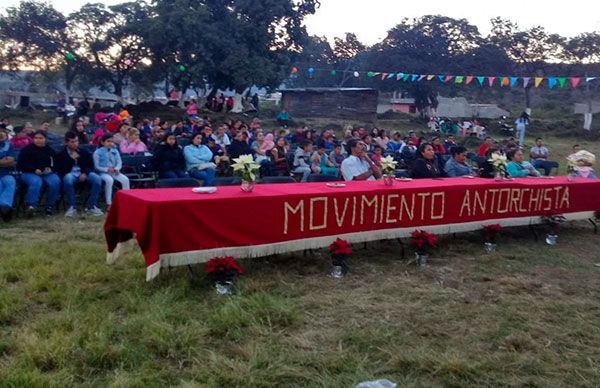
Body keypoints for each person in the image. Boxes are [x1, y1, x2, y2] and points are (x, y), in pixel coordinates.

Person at [55, 132, 103, 217]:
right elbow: (60, 169)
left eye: (76, 141)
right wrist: (70, 159)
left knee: (97, 179)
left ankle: (92, 206)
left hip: (83, 172)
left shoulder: (84, 152)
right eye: (72, 142)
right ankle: (71, 207)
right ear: (66, 143)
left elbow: (90, 165)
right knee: (68, 180)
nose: (75, 143)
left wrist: (84, 173)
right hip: (69, 173)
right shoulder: (61, 154)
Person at [17, 131, 61, 216]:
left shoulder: (50, 150)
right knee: (36, 181)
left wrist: (50, 169)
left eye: (40, 138)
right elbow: (21, 164)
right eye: (36, 138)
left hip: (46, 173)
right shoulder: (27, 149)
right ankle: (31, 206)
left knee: (55, 181)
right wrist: (34, 170)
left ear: (45, 139)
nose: (38, 140)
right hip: (28, 173)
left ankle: (49, 206)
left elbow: (56, 164)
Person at [93, 133, 130, 209]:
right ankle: (109, 203)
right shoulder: (97, 152)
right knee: (109, 180)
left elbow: (119, 161)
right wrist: (106, 169)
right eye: (108, 141)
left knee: (125, 180)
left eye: (112, 141)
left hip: (114, 171)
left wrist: (117, 168)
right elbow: (97, 166)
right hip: (102, 172)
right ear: (103, 142)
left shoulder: (115, 151)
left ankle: (126, 200)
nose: (110, 143)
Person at [0, 127, 16, 221]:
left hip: (6, 172)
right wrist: (3, 160)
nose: (1, 133)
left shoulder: (9, 145)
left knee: (10, 182)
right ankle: (5, 210)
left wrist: (7, 161)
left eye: (3, 131)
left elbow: (11, 161)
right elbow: (7, 161)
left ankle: (4, 208)